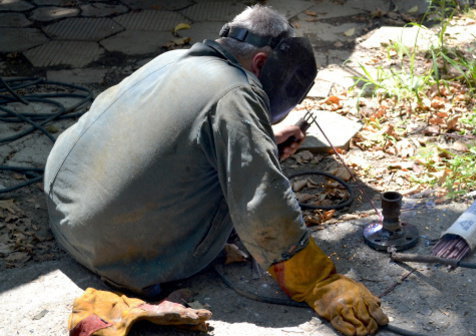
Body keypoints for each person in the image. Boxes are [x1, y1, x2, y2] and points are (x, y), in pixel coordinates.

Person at [44, 5, 388, 336]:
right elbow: (262, 201)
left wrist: (262, 139)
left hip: (65, 214)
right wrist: (318, 282)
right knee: (241, 188)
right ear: (261, 63)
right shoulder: (238, 90)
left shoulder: (171, 59)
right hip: (116, 254)